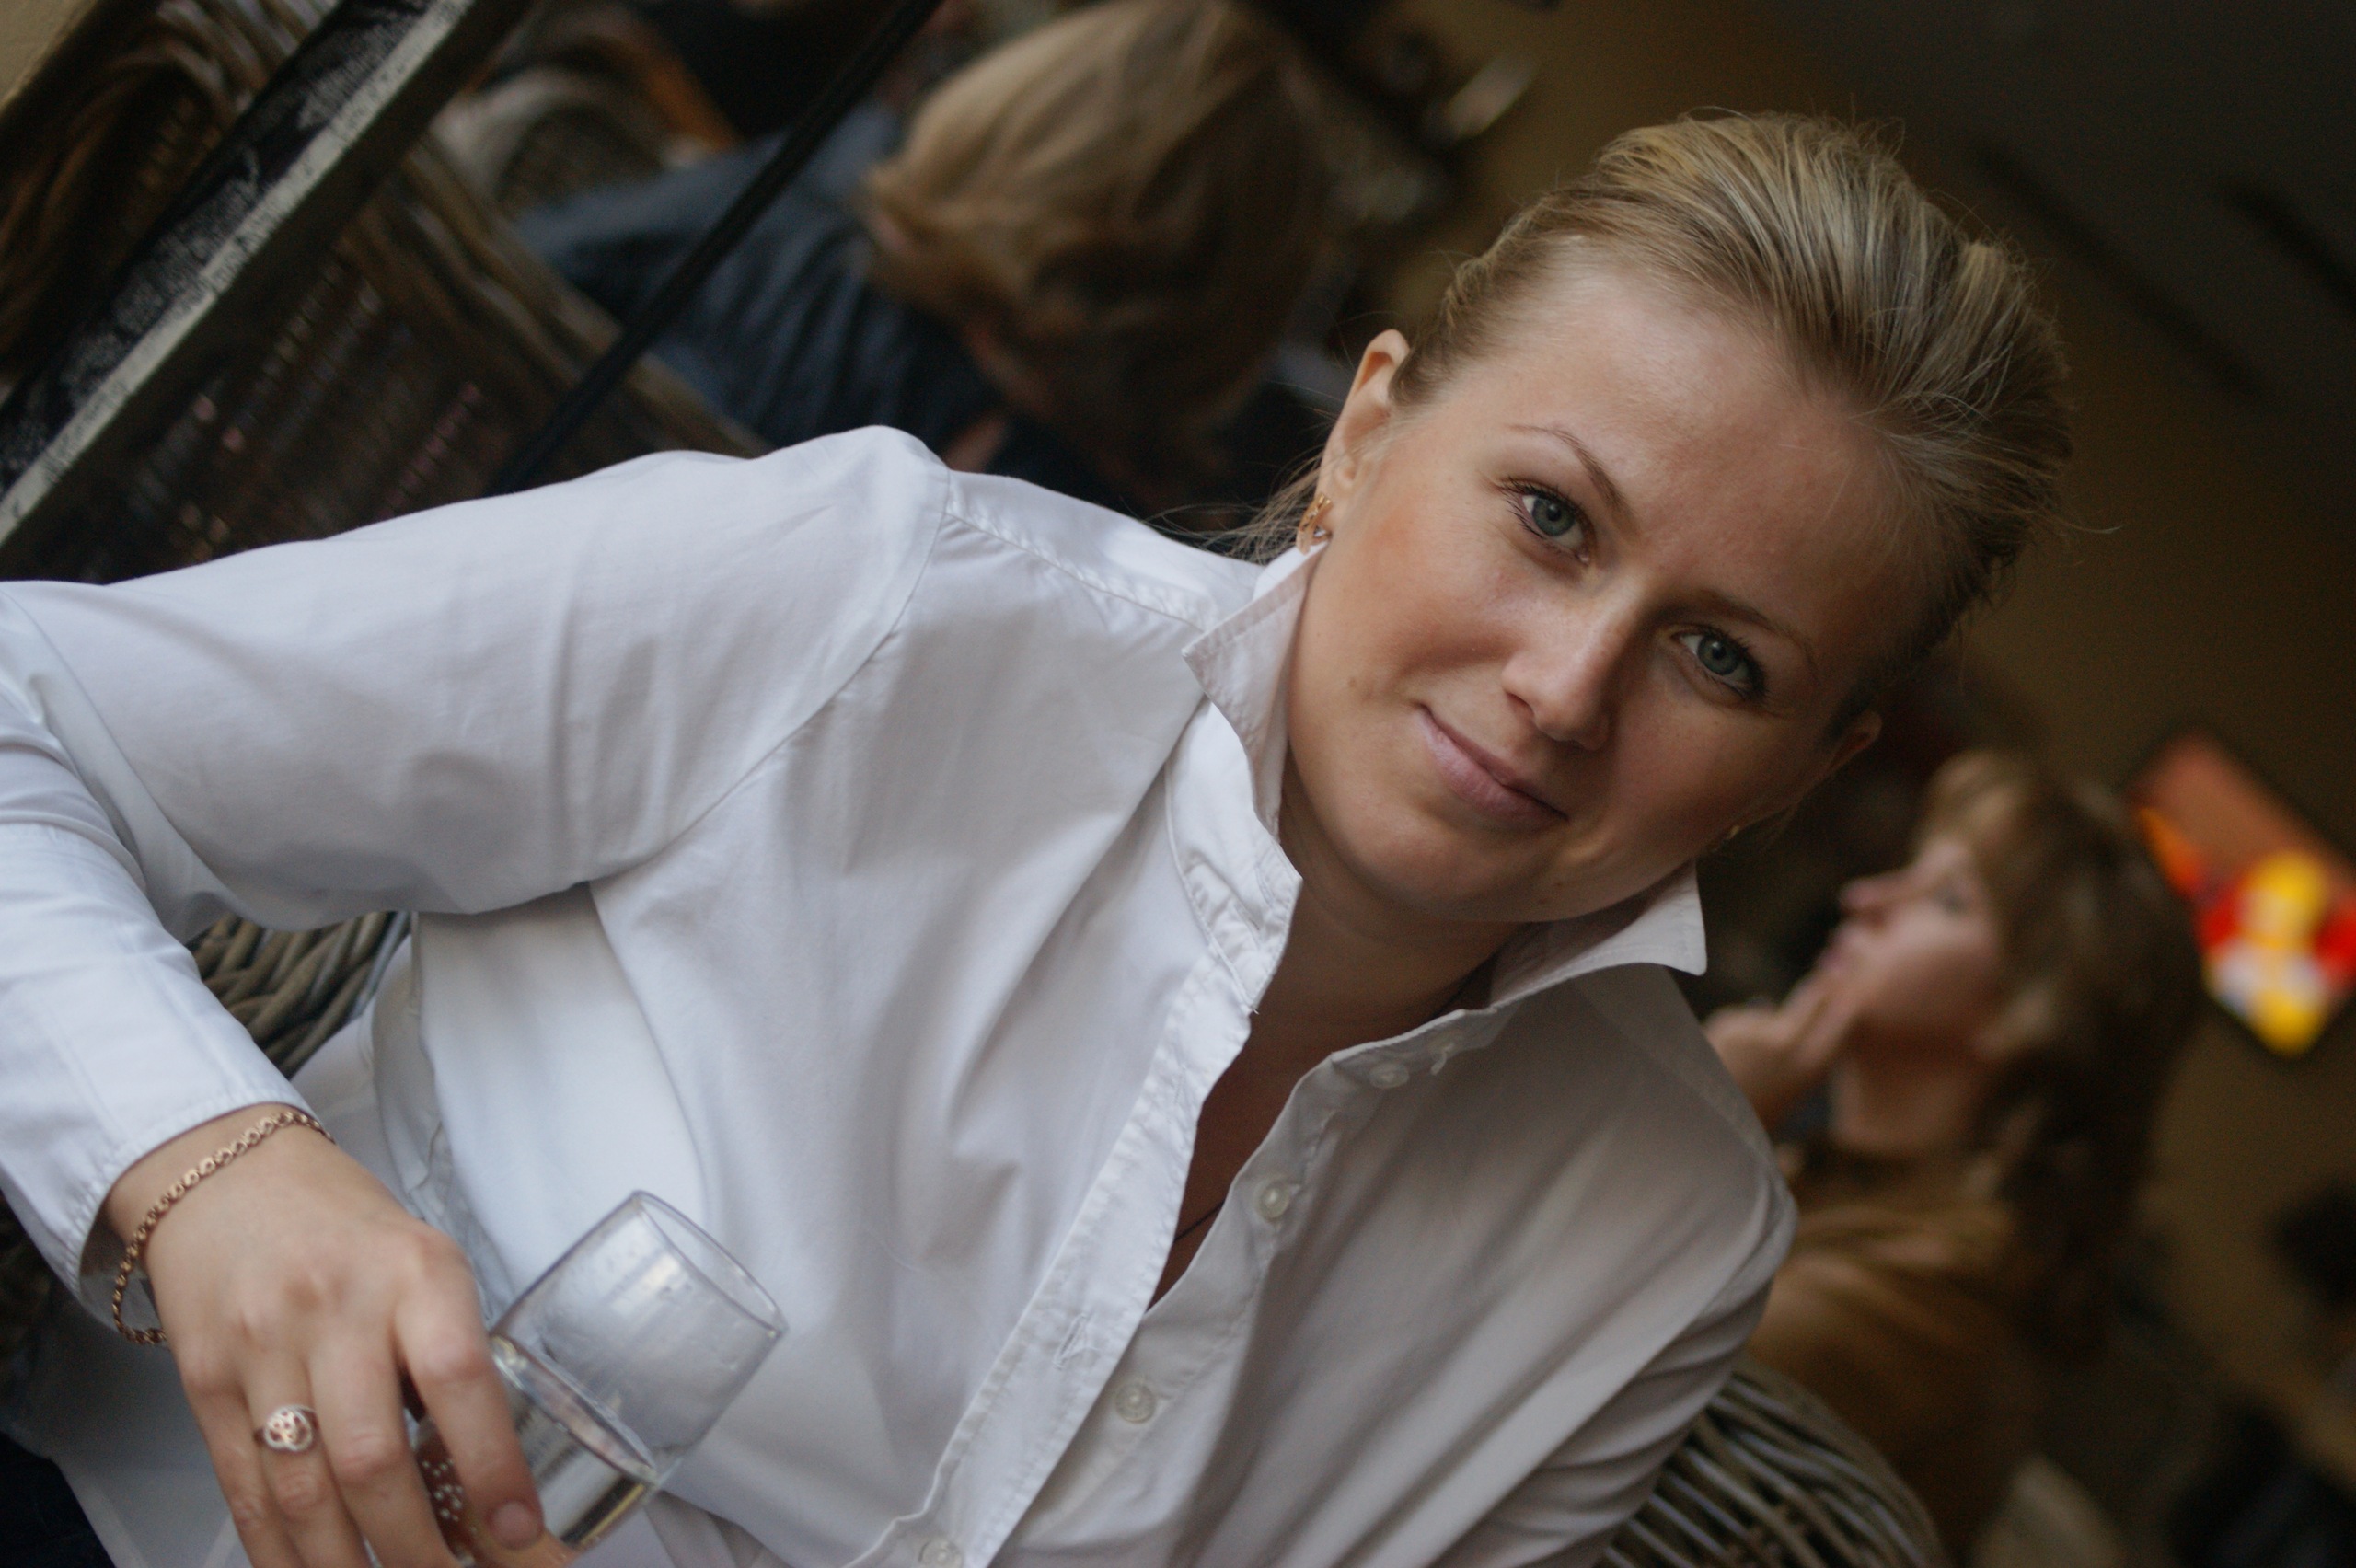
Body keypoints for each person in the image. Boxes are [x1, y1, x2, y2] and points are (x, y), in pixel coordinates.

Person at [0, 113, 2073, 1568]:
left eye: (1719, 657)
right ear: (1367, 434)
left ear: (1807, 770)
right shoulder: (878, 604)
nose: (1562, 685)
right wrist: (213, 1170)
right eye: (1549, 516)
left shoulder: (1660, 1237)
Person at [519, 0, 1334, 516]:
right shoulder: (1115, 543)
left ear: (1022, 101)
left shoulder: (793, 227)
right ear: (1244, 306)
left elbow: (525, 263)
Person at [1706, 751, 2202, 1555]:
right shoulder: (1846, 1177)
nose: (1866, 899)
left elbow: (1591, 1386)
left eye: (1946, 899)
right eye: (1908, 867)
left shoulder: (1942, 1288)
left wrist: (1711, 1121)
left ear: (2031, 1012)